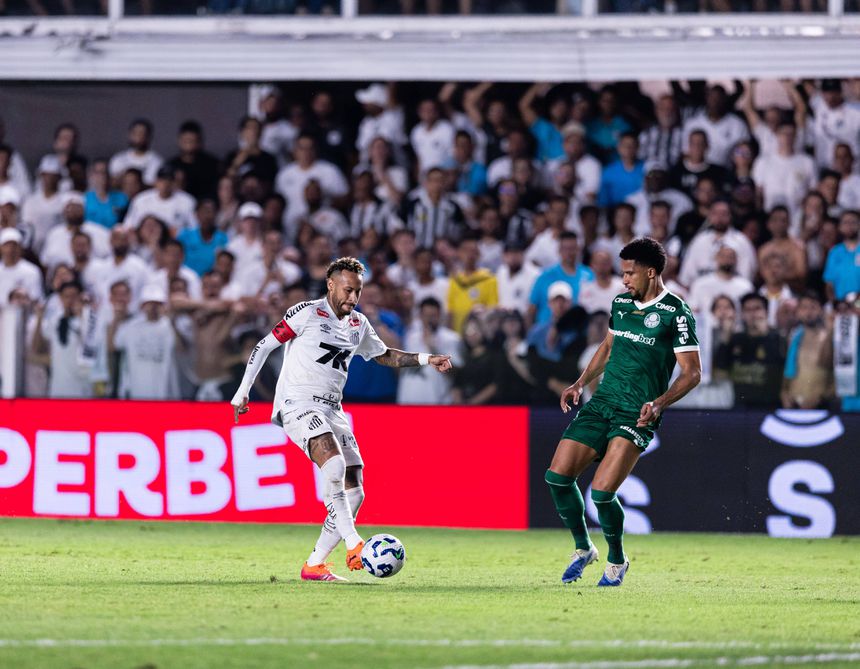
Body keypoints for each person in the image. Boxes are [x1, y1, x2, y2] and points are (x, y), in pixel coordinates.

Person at [230, 257, 452, 582]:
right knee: (333, 466)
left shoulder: (358, 324)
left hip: (333, 408)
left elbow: (384, 355)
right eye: (348, 290)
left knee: (355, 491)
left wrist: (426, 358)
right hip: (298, 402)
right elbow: (265, 345)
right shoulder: (306, 312)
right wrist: (243, 391)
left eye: (358, 292)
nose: (352, 298)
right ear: (331, 284)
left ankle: (315, 564)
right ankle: (354, 543)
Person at [545, 238, 701, 587]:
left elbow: (692, 373)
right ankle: (584, 548)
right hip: (603, 403)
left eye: (630, 273)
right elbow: (608, 345)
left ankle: (616, 560)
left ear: (651, 271)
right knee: (557, 477)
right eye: (622, 272)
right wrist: (581, 381)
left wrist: (659, 402)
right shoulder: (621, 303)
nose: (624, 280)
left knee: (601, 494)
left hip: (637, 411)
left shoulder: (676, 311)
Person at [716, 292, 786, 408]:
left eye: (757, 309)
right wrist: (725, 338)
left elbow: (779, 368)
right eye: (747, 310)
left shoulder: (778, 338)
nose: (752, 314)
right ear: (742, 314)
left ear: (766, 312)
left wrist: (765, 336)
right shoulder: (736, 339)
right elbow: (720, 369)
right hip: (740, 406)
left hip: (770, 407)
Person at [782, 290, 834, 409]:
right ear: (798, 312)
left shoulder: (829, 338)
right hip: (793, 404)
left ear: (821, 311)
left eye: (813, 307)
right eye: (804, 307)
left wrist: (820, 397)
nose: (808, 312)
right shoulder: (792, 338)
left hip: (820, 405)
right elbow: (786, 372)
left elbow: (836, 377)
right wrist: (784, 393)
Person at [108, 118, 164, 187]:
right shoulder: (118, 159)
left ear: (149, 137)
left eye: (142, 133)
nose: (138, 137)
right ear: (129, 135)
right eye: (135, 133)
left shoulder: (156, 161)